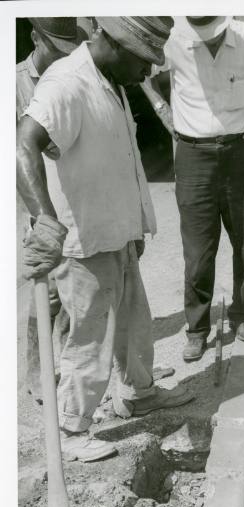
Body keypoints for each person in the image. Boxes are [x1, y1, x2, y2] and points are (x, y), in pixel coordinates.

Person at [17, 16, 193, 463]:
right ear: (116, 45)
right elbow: (22, 146)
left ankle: (138, 393)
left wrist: (135, 225)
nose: (148, 73)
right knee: (90, 339)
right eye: (144, 61)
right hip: (84, 238)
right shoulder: (68, 82)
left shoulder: (109, 79)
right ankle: (73, 429)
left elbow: (116, 155)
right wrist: (44, 221)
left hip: (116, 231)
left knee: (134, 325)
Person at [151, 16, 244, 361]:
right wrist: (161, 108)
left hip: (241, 150)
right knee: (197, 252)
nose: (209, 42)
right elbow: (144, 76)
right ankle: (197, 329)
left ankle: (242, 316)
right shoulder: (173, 39)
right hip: (192, 155)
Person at [17, 18, 86, 404]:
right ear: (34, 38)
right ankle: (39, 375)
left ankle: (70, 368)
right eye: (54, 48)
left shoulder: (71, 78)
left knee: (73, 291)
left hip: (73, 199)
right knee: (48, 294)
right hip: (39, 205)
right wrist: (41, 218)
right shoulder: (13, 84)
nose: (62, 56)